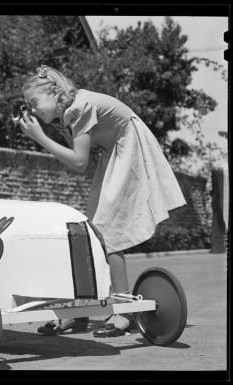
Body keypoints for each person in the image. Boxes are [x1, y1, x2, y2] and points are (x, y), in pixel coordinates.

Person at [17, 65, 186, 337]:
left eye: (33, 103)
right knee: (90, 231)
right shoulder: (67, 112)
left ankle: (122, 313)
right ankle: (78, 311)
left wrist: (39, 137)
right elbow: (77, 152)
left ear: (53, 92)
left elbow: (79, 162)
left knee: (108, 232)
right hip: (113, 152)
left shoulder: (78, 108)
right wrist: (45, 133)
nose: (32, 110)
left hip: (128, 145)